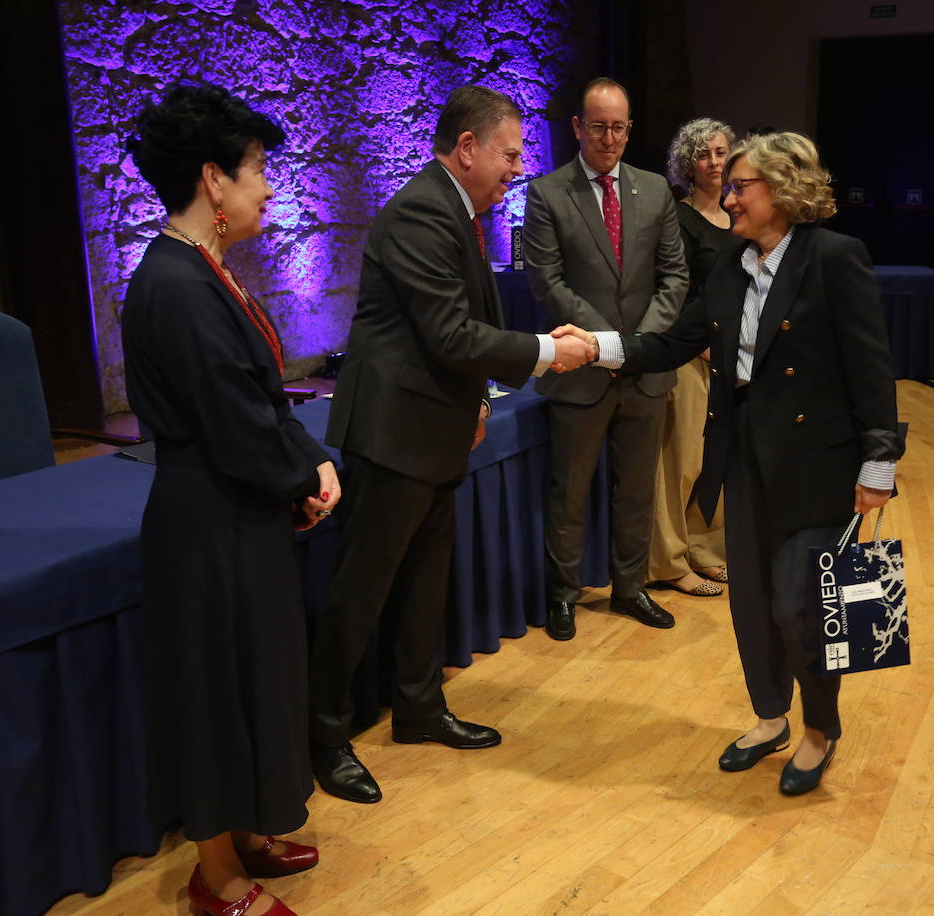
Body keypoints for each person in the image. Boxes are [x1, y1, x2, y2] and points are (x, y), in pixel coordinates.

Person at [561, 132, 903, 795]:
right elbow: (671, 341)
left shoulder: (835, 259)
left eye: (742, 184)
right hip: (744, 457)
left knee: (802, 606)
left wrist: (879, 459)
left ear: (783, 189)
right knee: (752, 604)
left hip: (819, 465)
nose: (729, 194)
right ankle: (771, 717)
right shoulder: (729, 265)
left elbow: (872, 367)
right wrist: (597, 346)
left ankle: (819, 729)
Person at [306, 86, 596, 806]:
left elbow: (456, 338)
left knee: (425, 582)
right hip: (393, 434)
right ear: (467, 147)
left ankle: (417, 708)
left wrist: (476, 402)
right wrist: (542, 352)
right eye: (510, 153)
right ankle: (323, 735)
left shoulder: (459, 212)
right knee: (362, 592)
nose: (517, 167)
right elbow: (451, 335)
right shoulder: (418, 213)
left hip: (434, 430)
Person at [122, 84, 336, 916]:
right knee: (217, 693)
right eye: (258, 170)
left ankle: (248, 832)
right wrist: (307, 475)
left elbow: (255, 404)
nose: (269, 186)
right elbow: (236, 419)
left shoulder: (199, 269)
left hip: (232, 511)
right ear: (213, 180)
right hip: (206, 524)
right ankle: (214, 877)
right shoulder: (175, 284)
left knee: (253, 680)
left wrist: (300, 467)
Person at [523, 77, 689, 641]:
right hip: (579, 369)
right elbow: (547, 283)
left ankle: (629, 587)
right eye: (598, 125)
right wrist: (603, 346)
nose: (609, 137)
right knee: (569, 491)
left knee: (637, 488)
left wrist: (634, 346)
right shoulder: (546, 194)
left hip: (644, 371)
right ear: (577, 127)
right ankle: (563, 596)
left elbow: (675, 278)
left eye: (619, 126)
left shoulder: (654, 191)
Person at [645, 117, 738, 598]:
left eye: (722, 152)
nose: (715, 162)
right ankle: (667, 561)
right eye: (704, 154)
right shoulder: (678, 218)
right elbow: (671, 289)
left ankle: (705, 550)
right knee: (681, 461)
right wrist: (699, 341)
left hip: (729, 356)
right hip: (689, 353)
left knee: (716, 461)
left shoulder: (738, 217)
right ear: (688, 163)